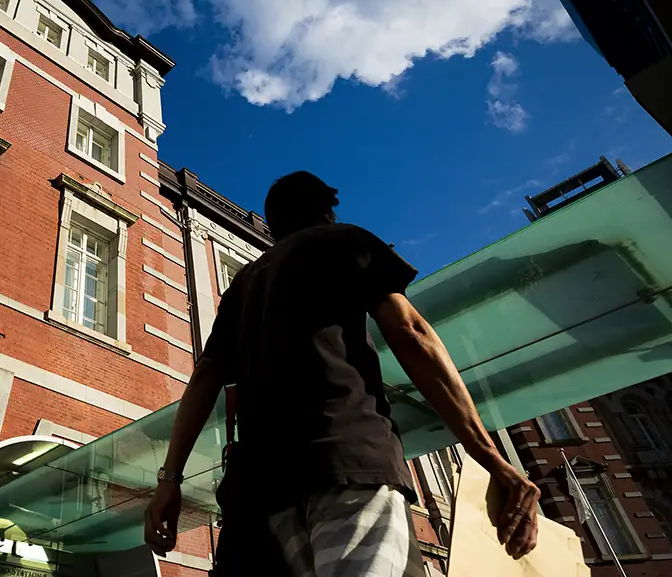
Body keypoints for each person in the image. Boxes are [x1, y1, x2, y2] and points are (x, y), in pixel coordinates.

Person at [144, 171, 539, 576]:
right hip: (348, 464)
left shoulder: (243, 284)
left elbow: (204, 379)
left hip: (258, 494)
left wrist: (169, 481)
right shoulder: (345, 241)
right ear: (327, 210)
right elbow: (410, 333)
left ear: (274, 224)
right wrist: (492, 459)